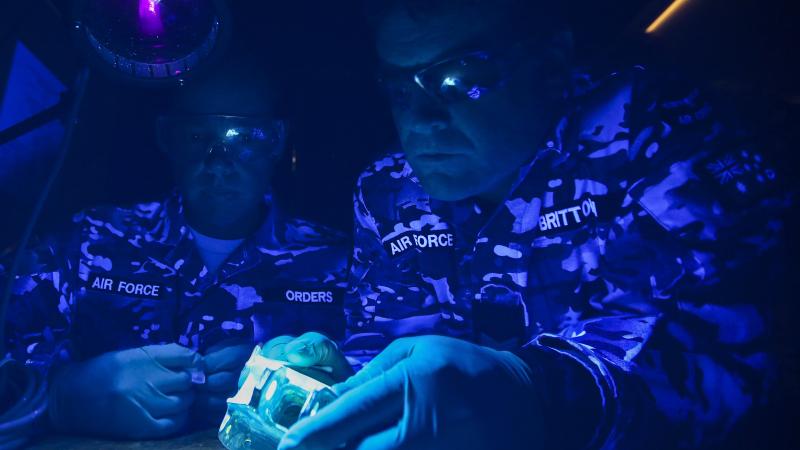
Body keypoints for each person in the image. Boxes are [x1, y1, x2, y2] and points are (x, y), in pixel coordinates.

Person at [265, 1, 792, 449]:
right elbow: (393, 343)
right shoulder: (388, 190)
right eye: (401, 89)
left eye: (459, 79)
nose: (420, 120)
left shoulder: (650, 133)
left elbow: (717, 357)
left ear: (550, 64)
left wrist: (540, 392)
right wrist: (343, 380)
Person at [0, 56, 349, 439]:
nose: (219, 165)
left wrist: (289, 387)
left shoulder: (335, 263)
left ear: (277, 141)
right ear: (167, 137)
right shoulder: (88, 242)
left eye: (245, 139)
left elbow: (378, 379)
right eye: (199, 137)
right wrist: (61, 395)